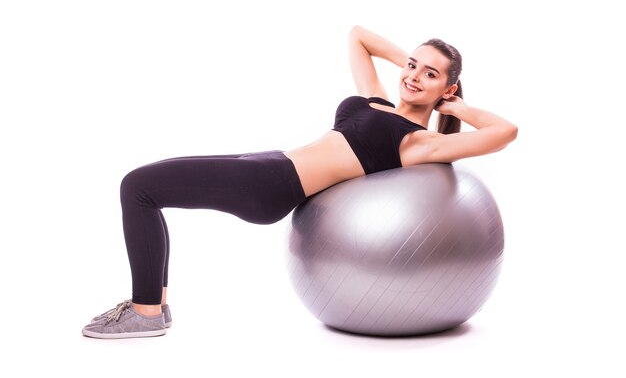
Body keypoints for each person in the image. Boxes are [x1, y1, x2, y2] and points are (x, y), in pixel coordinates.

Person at [82, 25, 518, 339]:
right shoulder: (377, 100)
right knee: (145, 188)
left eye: (429, 74)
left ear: (447, 87)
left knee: (137, 186)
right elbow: (358, 35)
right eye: (412, 66)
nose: (413, 77)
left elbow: (504, 131)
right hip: (270, 161)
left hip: (272, 184)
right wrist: (415, 63)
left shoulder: (418, 142)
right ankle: (153, 304)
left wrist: (454, 106)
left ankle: (145, 311)